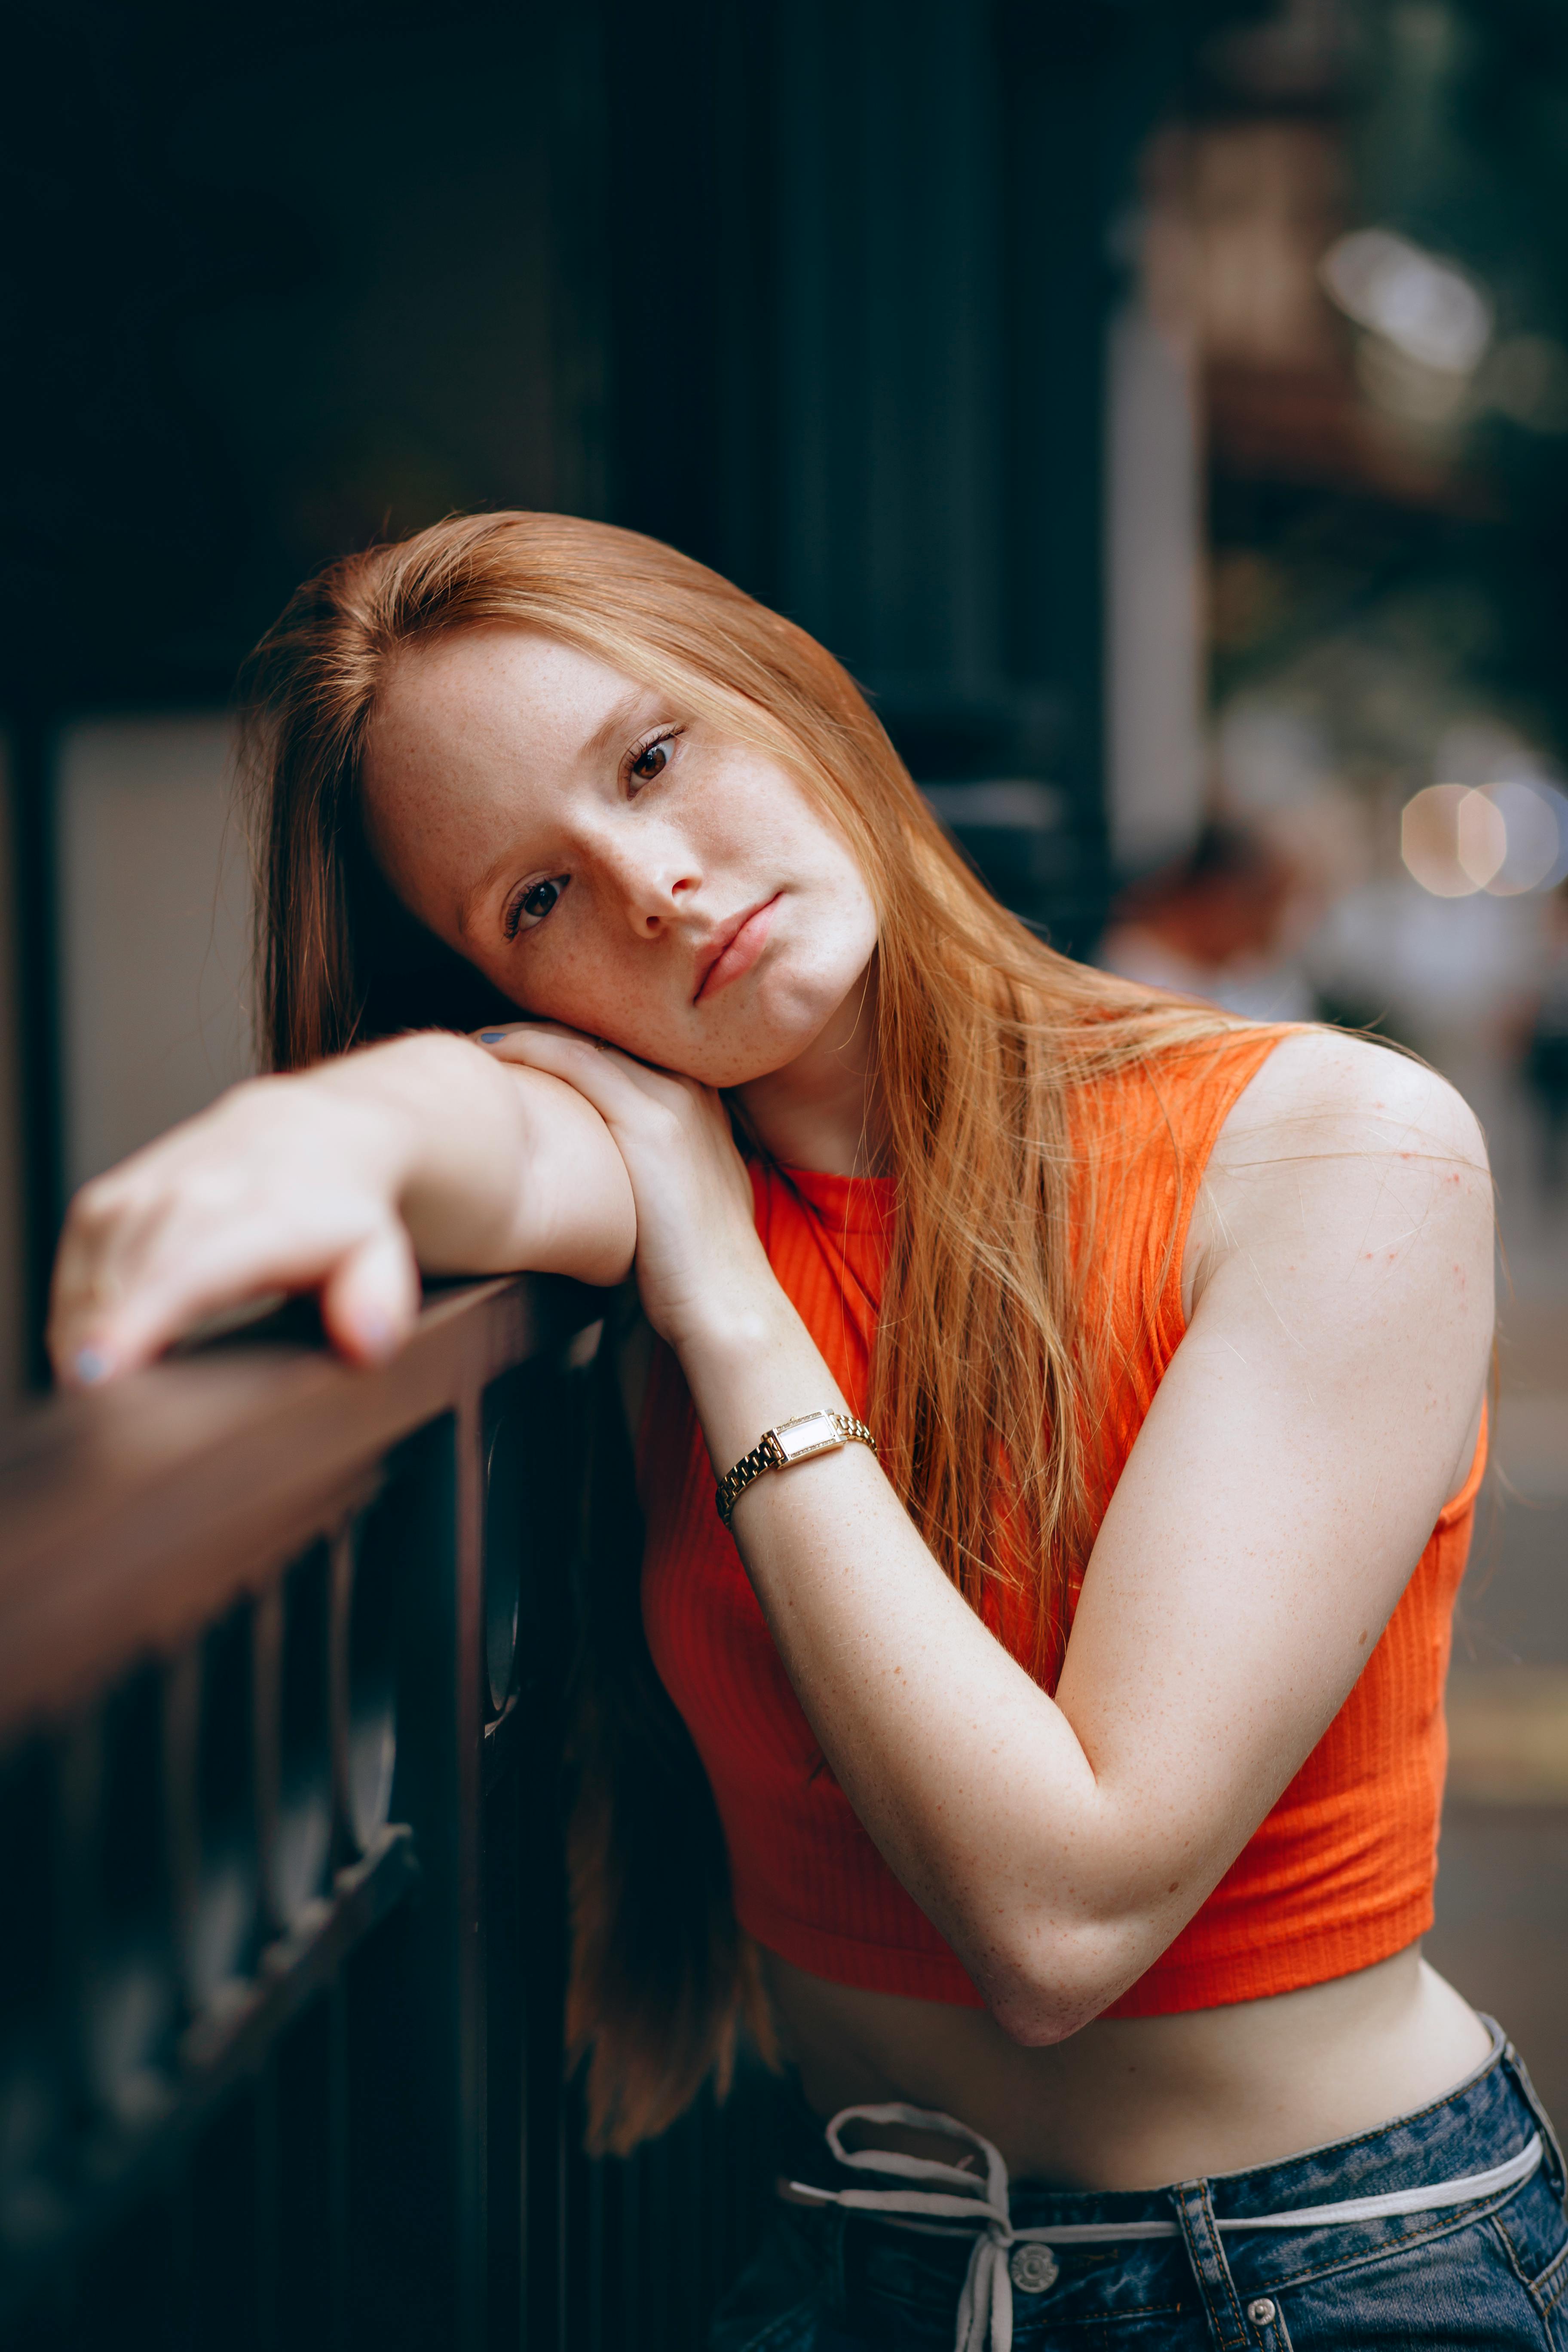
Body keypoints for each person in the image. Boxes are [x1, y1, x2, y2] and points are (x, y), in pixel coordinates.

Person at [50, 514, 1563, 2350]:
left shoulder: (1329, 1149)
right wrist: (324, 1138)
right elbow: (479, 1126)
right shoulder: (654, 1158)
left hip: (1329, 2277)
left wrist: (729, 1308)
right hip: (858, 2271)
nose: (655, 888)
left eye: (654, 757)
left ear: (784, 688)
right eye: (533, 901)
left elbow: (1064, 1919)